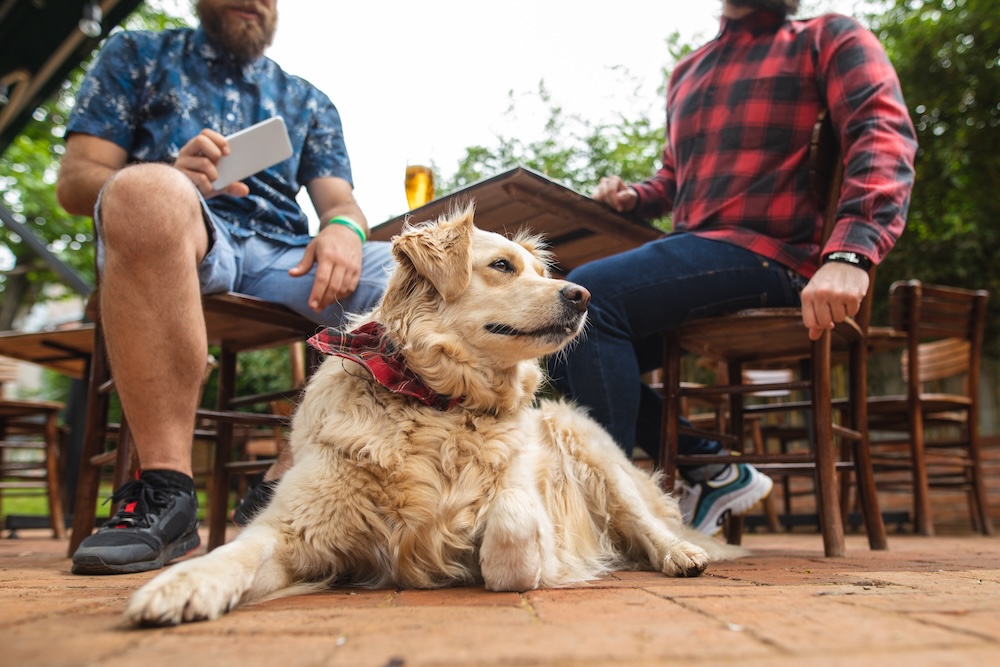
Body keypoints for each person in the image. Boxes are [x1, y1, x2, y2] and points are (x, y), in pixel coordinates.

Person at [547, 0, 917, 535]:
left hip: (778, 257)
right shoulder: (689, 70)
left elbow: (882, 137)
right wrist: (632, 198)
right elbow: (675, 179)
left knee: (591, 297)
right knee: (557, 333)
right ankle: (711, 467)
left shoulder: (828, 36)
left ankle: (606, 519)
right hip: (700, 254)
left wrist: (851, 253)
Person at [56, 0, 395, 574]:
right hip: (181, 235)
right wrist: (168, 173)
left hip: (283, 256)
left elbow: (340, 201)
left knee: (413, 271)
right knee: (144, 191)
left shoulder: (307, 99)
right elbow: (75, 181)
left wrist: (341, 229)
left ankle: (297, 475)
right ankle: (165, 496)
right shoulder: (137, 54)